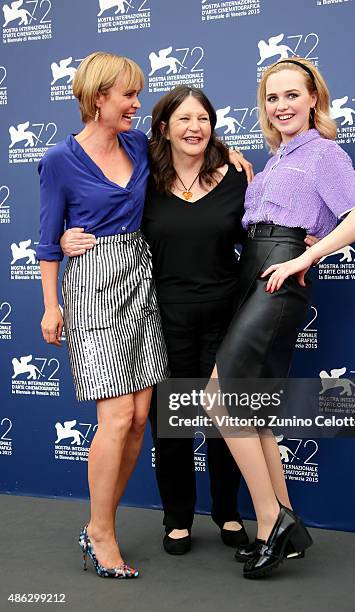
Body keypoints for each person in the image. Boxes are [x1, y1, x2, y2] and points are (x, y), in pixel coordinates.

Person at [61, 86, 256, 555]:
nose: (195, 128)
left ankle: (228, 513)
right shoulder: (143, 175)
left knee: (225, 419)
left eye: (204, 120)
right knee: (171, 422)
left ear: (214, 126)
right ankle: (177, 518)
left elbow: (262, 231)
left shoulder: (237, 175)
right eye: (184, 120)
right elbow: (100, 209)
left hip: (226, 313)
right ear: (164, 129)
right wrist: (69, 237)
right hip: (161, 314)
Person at [213, 57, 355, 579]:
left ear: (314, 99)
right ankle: (279, 530)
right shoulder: (277, 158)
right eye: (272, 97)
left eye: (291, 95)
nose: (281, 105)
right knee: (253, 409)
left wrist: (309, 255)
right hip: (253, 274)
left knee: (221, 396)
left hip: (281, 277)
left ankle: (272, 518)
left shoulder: (324, 153)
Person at [38, 51, 169, 578]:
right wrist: (52, 307)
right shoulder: (57, 160)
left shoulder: (138, 143)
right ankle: (102, 534)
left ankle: (99, 524)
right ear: (98, 99)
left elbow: (190, 154)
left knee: (139, 419)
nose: (137, 104)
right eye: (128, 95)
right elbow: (49, 240)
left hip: (141, 279)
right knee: (114, 417)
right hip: (92, 284)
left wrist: (236, 163)